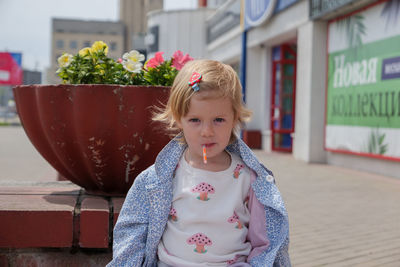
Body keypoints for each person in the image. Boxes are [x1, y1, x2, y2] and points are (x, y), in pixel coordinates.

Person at [107, 59, 290, 267]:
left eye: (218, 120)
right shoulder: (161, 177)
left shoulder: (249, 178)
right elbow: (133, 228)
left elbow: (265, 242)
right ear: (178, 119)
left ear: (235, 119)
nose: (207, 131)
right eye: (195, 120)